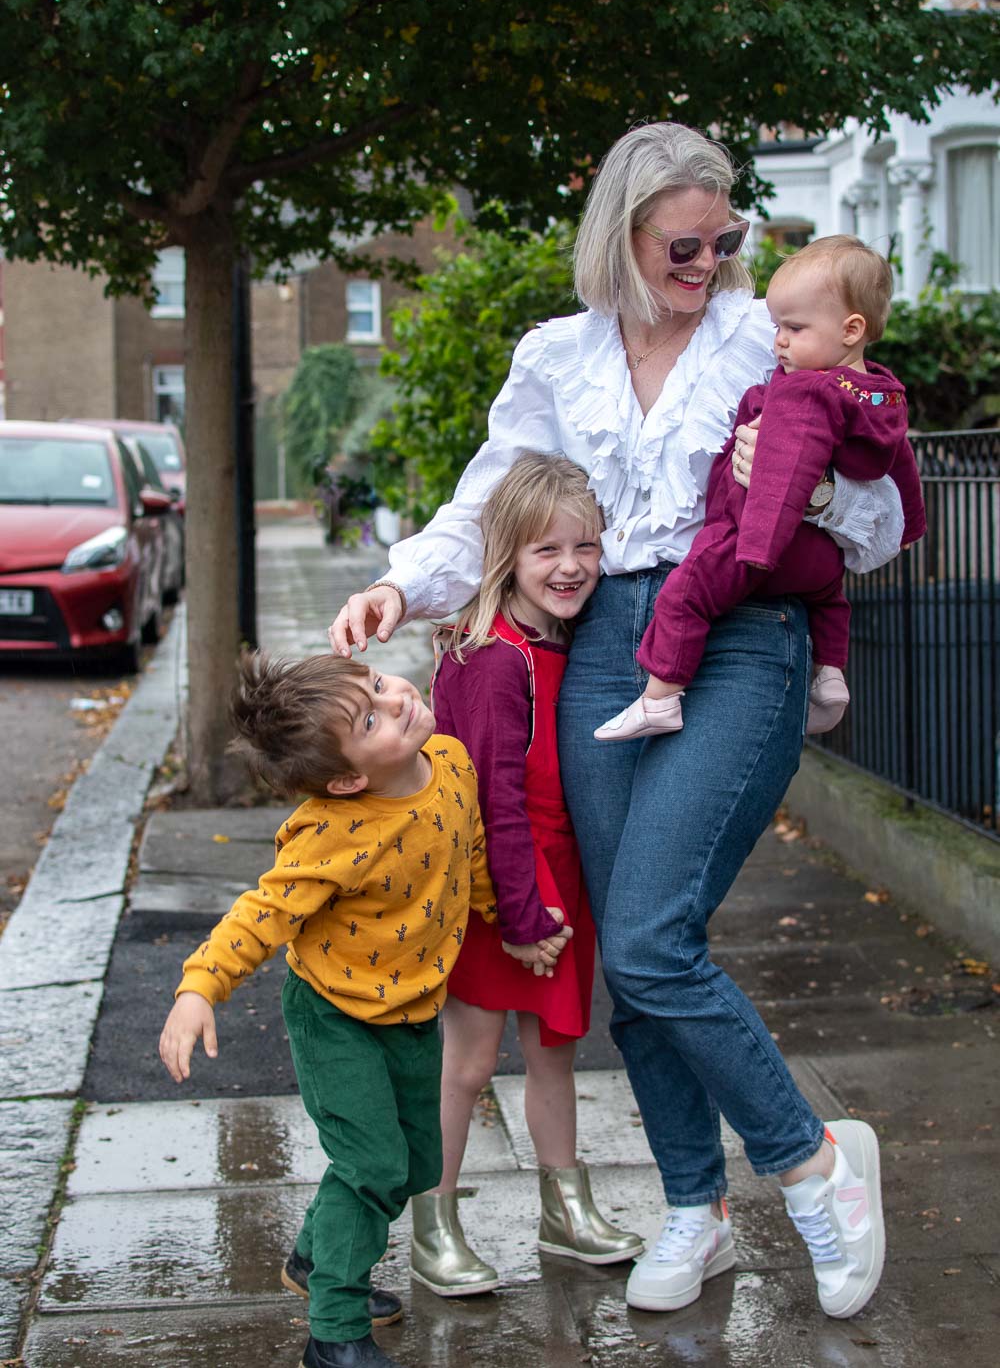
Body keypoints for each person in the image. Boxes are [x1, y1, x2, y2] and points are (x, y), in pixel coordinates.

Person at [330, 123, 898, 1322]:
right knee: (630, 954)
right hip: (599, 655)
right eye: (685, 243)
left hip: (737, 633)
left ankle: (809, 1163)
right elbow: (482, 504)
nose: (710, 262)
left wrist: (802, 478)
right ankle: (694, 1204)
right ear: (623, 237)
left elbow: (883, 514)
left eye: (725, 239)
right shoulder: (556, 357)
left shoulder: (767, 336)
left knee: (648, 933)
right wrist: (399, 585)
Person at [158, 651, 504, 1368]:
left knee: (414, 1163)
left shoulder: (451, 761)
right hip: (335, 1017)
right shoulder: (333, 833)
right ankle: (334, 1328)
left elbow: (466, 847)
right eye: (372, 717)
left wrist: (501, 916)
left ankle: (317, 1259)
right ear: (348, 779)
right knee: (372, 1163)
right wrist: (199, 988)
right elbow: (263, 913)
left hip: (412, 1010)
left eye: (378, 685)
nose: (397, 699)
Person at [410, 452, 643, 1297]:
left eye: (586, 547)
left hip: (559, 880)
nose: (572, 566)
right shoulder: (493, 657)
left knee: (554, 1054)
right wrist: (523, 912)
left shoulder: (566, 641)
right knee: (468, 1064)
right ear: (507, 555)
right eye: (547, 551)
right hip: (496, 888)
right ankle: (431, 1224)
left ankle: (565, 1212)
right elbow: (488, 800)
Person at [594, 234, 926, 743]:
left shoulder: (803, 393)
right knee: (831, 600)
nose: (779, 342)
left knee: (687, 594)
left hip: (762, 549)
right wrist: (913, 525)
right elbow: (901, 466)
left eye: (794, 328)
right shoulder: (883, 395)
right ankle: (831, 677)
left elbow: (779, 482)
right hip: (819, 565)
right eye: (777, 328)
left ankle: (659, 697)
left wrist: (752, 548)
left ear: (851, 329)